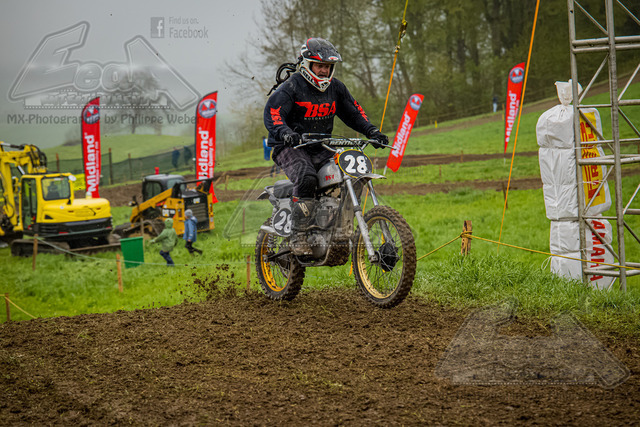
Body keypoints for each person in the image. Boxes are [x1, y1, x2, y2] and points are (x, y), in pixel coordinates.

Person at [263, 37, 389, 255]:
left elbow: (354, 113)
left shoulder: (336, 88)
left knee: (347, 176)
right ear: (307, 64)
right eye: (319, 65)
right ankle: (298, 235)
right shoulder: (291, 87)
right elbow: (273, 114)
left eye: (328, 66)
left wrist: (372, 132)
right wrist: (287, 133)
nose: (324, 71)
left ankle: (337, 231)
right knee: (307, 177)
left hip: (321, 146)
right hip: (290, 146)